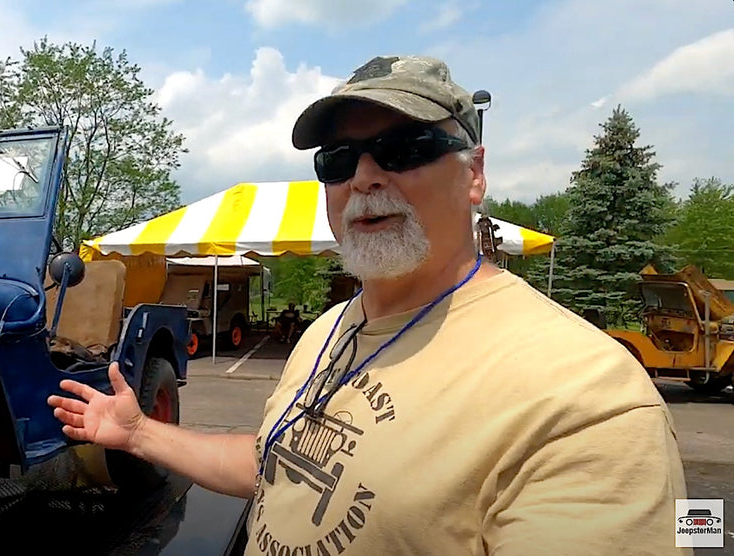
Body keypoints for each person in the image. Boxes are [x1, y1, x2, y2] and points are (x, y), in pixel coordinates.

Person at [48, 55, 689, 555]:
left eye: (406, 148)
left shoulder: (586, 397)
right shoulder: (328, 331)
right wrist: (138, 433)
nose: (365, 176)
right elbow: (277, 464)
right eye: (339, 158)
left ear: (474, 173)